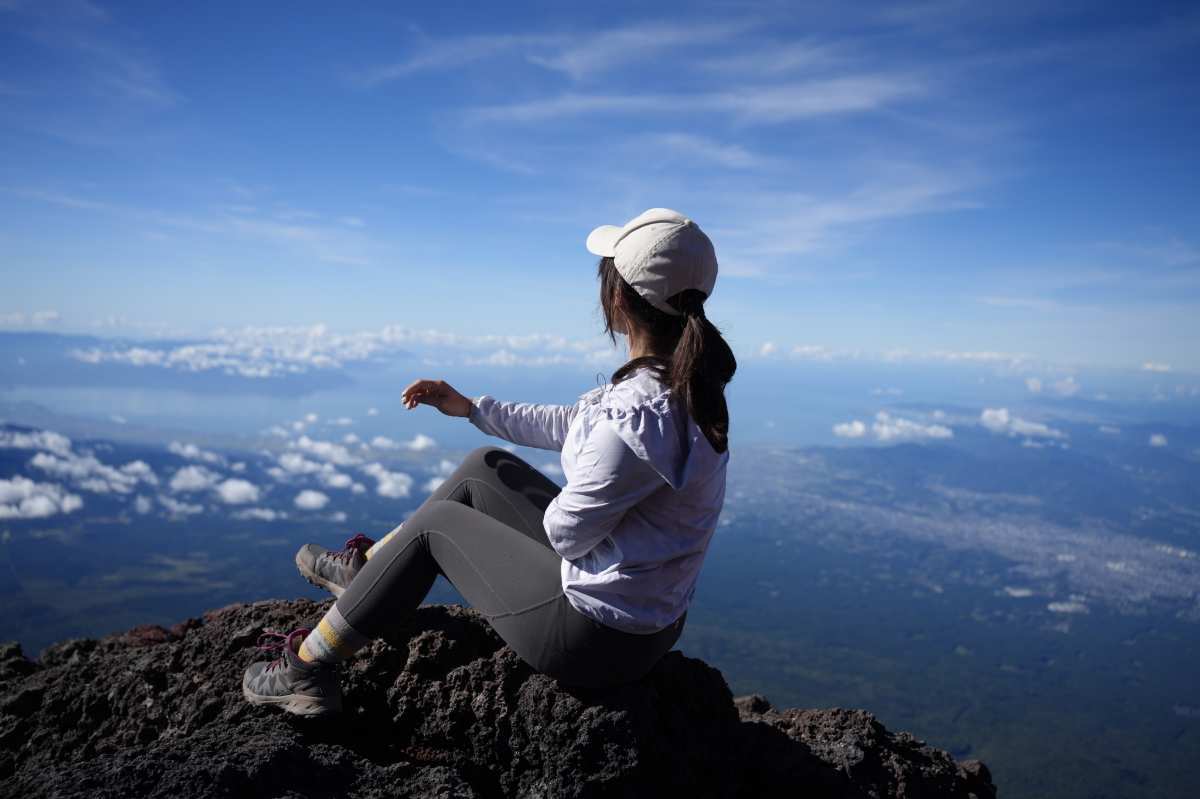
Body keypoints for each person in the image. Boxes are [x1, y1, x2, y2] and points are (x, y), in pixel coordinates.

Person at [242, 208, 737, 716]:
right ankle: (369, 575)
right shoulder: (683, 387)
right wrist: (474, 409)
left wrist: (575, 487)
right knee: (487, 468)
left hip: (595, 640)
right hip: (646, 620)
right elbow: (578, 426)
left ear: (617, 300)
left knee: (437, 526)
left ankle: (305, 672)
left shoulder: (635, 415)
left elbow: (568, 533)